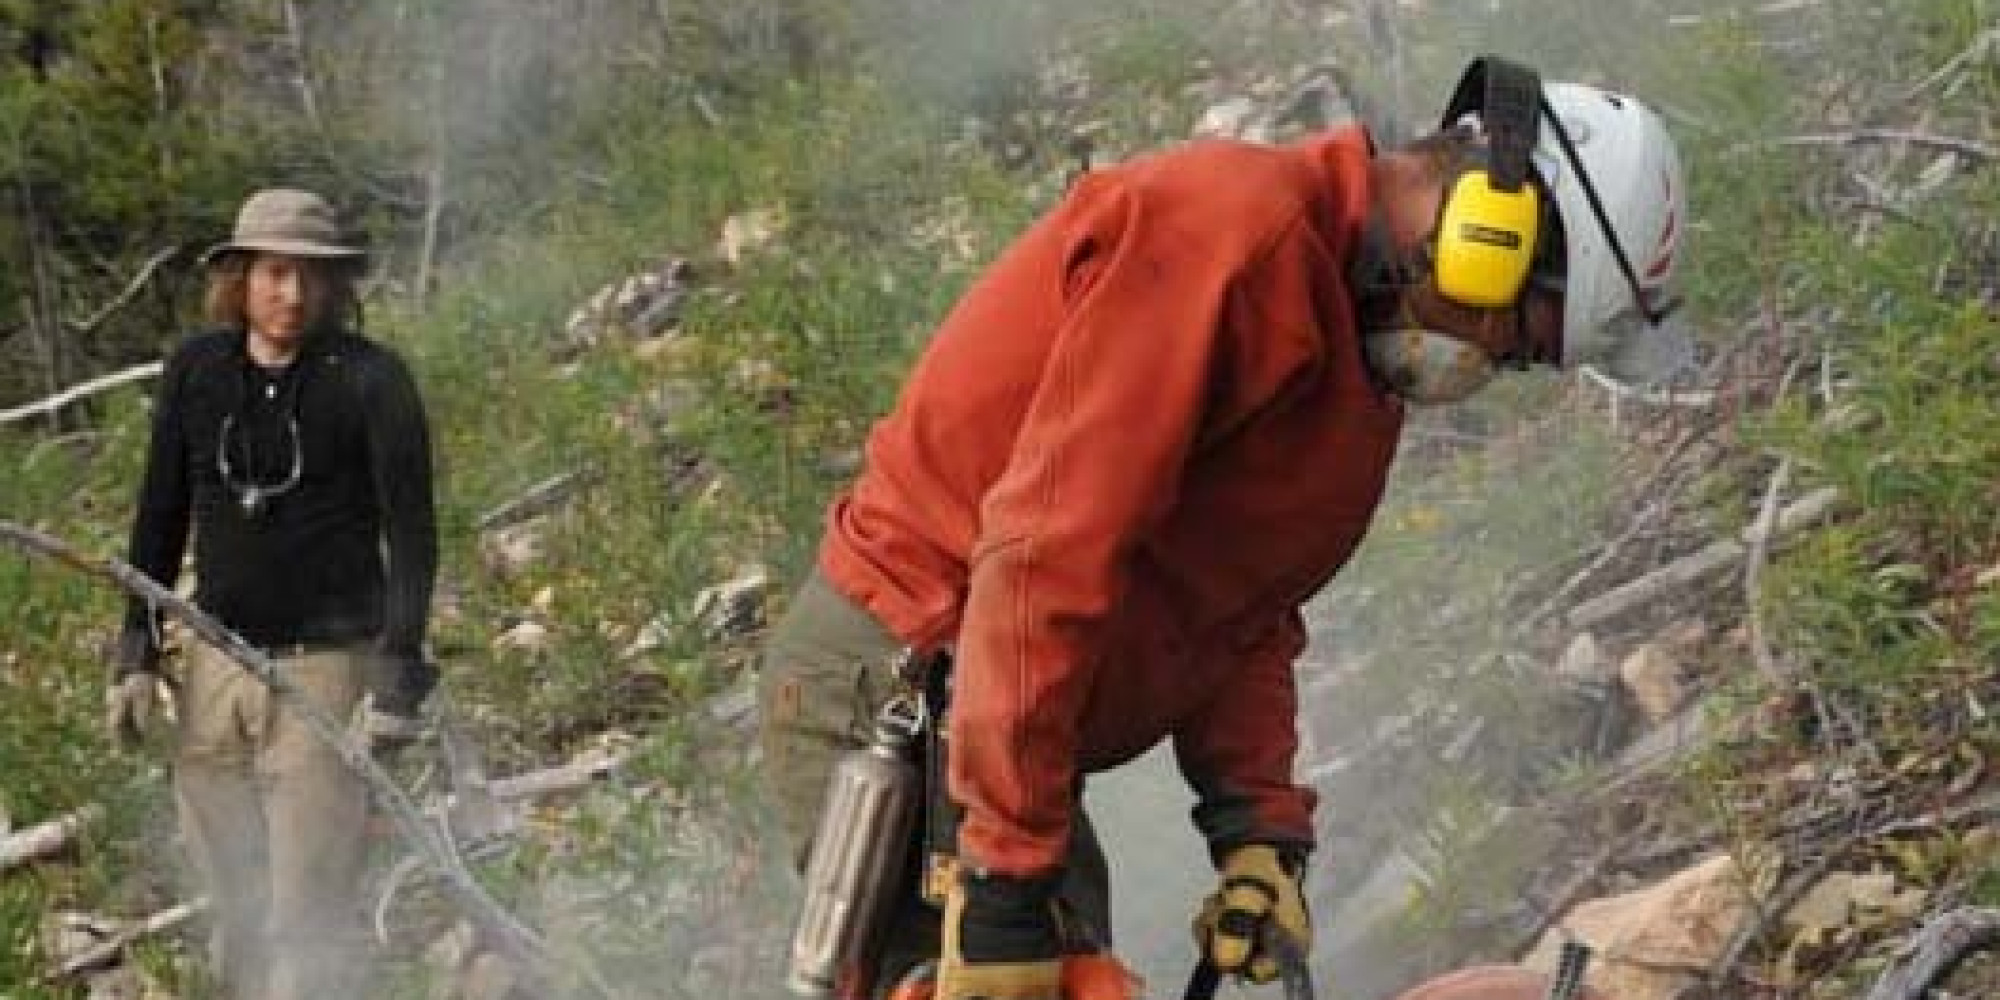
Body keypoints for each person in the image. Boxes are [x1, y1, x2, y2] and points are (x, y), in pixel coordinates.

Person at [759, 56, 1688, 1000]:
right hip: (906, 682)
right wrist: (1002, 887)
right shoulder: (1231, 234)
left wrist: (1258, 828)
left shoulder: (1355, 371)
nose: (1493, 362)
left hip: (1005, 729)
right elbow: (1044, 553)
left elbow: (1240, 607)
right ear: (1494, 233)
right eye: (1518, 335)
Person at [106, 187, 440, 999]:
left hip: (326, 666)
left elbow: (414, 537)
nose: (294, 295)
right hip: (214, 661)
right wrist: (137, 649)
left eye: (313, 278)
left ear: (337, 286)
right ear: (241, 277)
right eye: (276, 273)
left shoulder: (372, 379)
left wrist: (396, 675)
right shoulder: (196, 372)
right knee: (233, 902)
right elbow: (160, 513)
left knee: (306, 910)